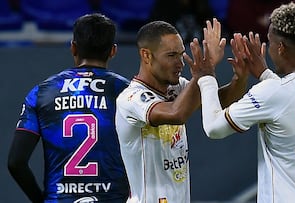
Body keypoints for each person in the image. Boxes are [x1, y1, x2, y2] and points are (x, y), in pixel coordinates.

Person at [186, 2, 295, 203]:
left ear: (280, 48)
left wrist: (206, 76)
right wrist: (265, 74)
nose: (270, 47)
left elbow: (214, 128)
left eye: (270, 42)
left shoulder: (273, 93)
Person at [115, 18, 248, 202]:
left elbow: (220, 102)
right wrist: (205, 69)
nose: (181, 63)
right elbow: (175, 114)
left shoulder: (178, 88)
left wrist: (239, 78)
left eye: (181, 54)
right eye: (171, 55)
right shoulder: (132, 99)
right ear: (146, 55)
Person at [8, 13, 130, 203]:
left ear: (73, 47)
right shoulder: (128, 92)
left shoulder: (42, 92)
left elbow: (16, 162)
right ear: (113, 51)